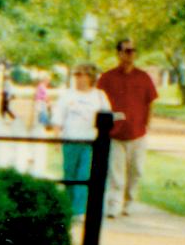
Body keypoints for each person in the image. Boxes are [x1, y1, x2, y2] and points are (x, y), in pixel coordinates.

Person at [94, 41, 159, 215]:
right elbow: (99, 102)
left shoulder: (143, 77)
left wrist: (148, 124)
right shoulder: (107, 78)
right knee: (116, 173)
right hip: (114, 134)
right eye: (127, 51)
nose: (131, 54)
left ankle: (129, 202)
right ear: (119, 53)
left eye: (134, 51)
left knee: (136, 170)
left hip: (138, 133)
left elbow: (150, 102)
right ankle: (114, 204)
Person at [54, 64, 107, 223]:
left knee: (84, 175)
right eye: (76, 75)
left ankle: (79, 210)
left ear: (90, 77)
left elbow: (106, 117)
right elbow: (58, 118)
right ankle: (68, 206)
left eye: (82, 75)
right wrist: (57, 138)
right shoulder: (67, 96)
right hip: (70, 140)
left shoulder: (99, 96)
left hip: (89, 142)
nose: (78, 78)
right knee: (69, 174)